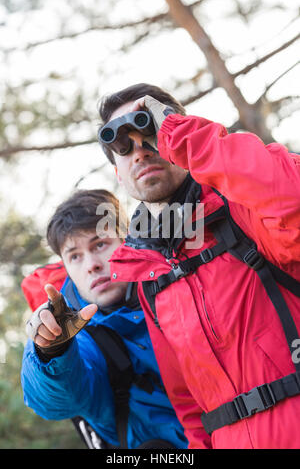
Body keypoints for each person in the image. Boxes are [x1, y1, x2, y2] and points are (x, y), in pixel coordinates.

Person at [97, 83, 300, 449]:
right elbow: (191, 407)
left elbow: (292, 197)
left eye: (149, 133)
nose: (140, 151)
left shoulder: (244, 211)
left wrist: (182, 134)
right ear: (118, 174)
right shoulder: (148, 274)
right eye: (123, 146)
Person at [21, 189, 188, 450]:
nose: (91, 264)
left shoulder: (181, 286)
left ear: (127, 242)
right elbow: (55, 403)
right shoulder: (78, 335)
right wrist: (51, 350)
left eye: (100, 244)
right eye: (75, 256)